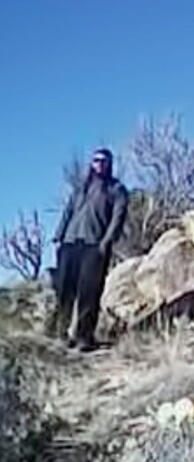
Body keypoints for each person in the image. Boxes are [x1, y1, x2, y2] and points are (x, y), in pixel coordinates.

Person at [49, 147, 129, 351]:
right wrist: (59, 236)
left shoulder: (116, 189)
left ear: (109, 164)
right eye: (96, 160)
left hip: (95, 246)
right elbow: (68, 212)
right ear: (91, 163)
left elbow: (118, 218)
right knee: (64, 291)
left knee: (89, 293)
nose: (99, 164)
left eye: (104, 161)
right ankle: (60, 333)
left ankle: (84, 337)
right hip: (70, 244)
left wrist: (106, 243)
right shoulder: (81, 188)